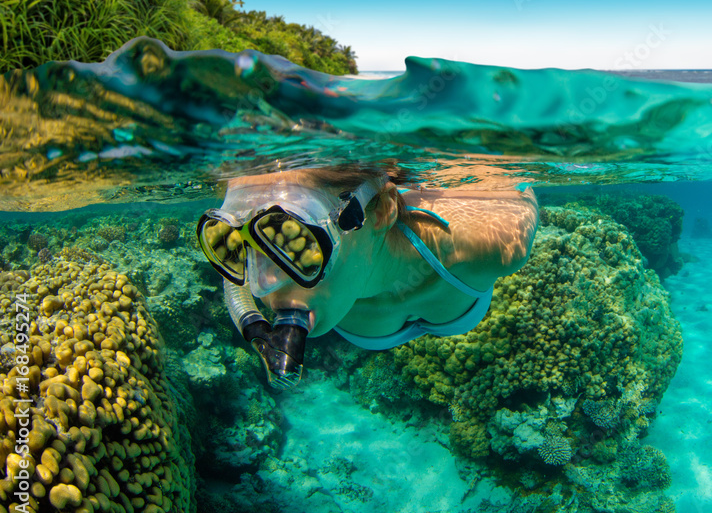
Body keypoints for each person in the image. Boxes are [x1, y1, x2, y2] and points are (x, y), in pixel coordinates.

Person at [196, 165, 539, 389]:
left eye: (294, 240)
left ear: (383, 211)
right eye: (235, 245)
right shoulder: (277, 282)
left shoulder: (493, 245)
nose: (263, 286)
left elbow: (517, 184)